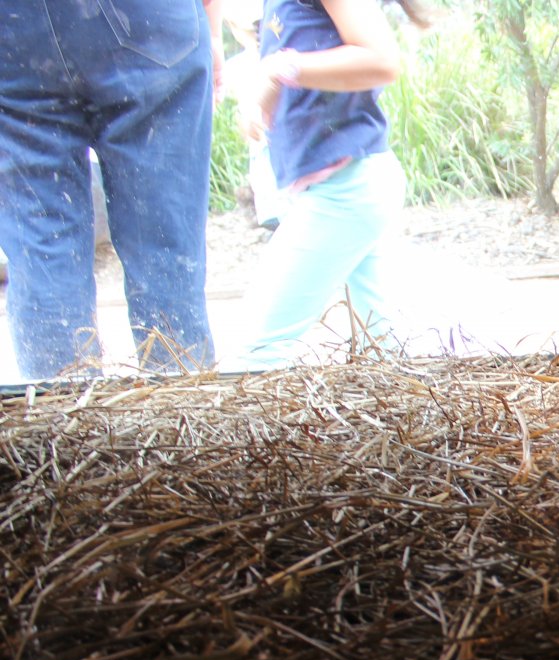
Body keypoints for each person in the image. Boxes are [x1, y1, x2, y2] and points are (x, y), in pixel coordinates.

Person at [0, 0, 225, 381]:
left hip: (13, 27)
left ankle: (62, 426)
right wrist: (213, 28)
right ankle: (182, 422)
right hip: (145, 21)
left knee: (42, 247)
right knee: (164, 246)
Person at [235, 0, 428, 367]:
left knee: (254, 353)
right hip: (344, 186)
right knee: (383, 360)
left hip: (346, 187)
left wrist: (280, 69)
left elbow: (381, 60)